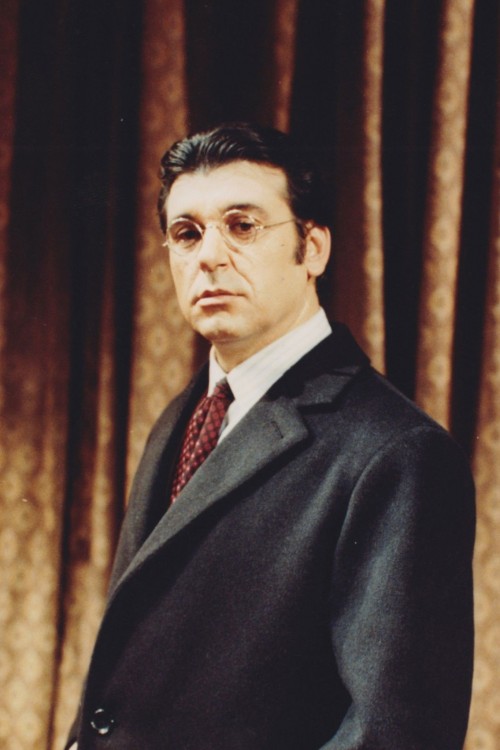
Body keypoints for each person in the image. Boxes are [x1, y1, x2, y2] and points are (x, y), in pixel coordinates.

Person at [66, 122, 475, 750]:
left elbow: (397, 735)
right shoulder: (183, 416)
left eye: (242, 225)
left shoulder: (399, 454)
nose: (209, 256)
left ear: (313, 250)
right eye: (187, 233)